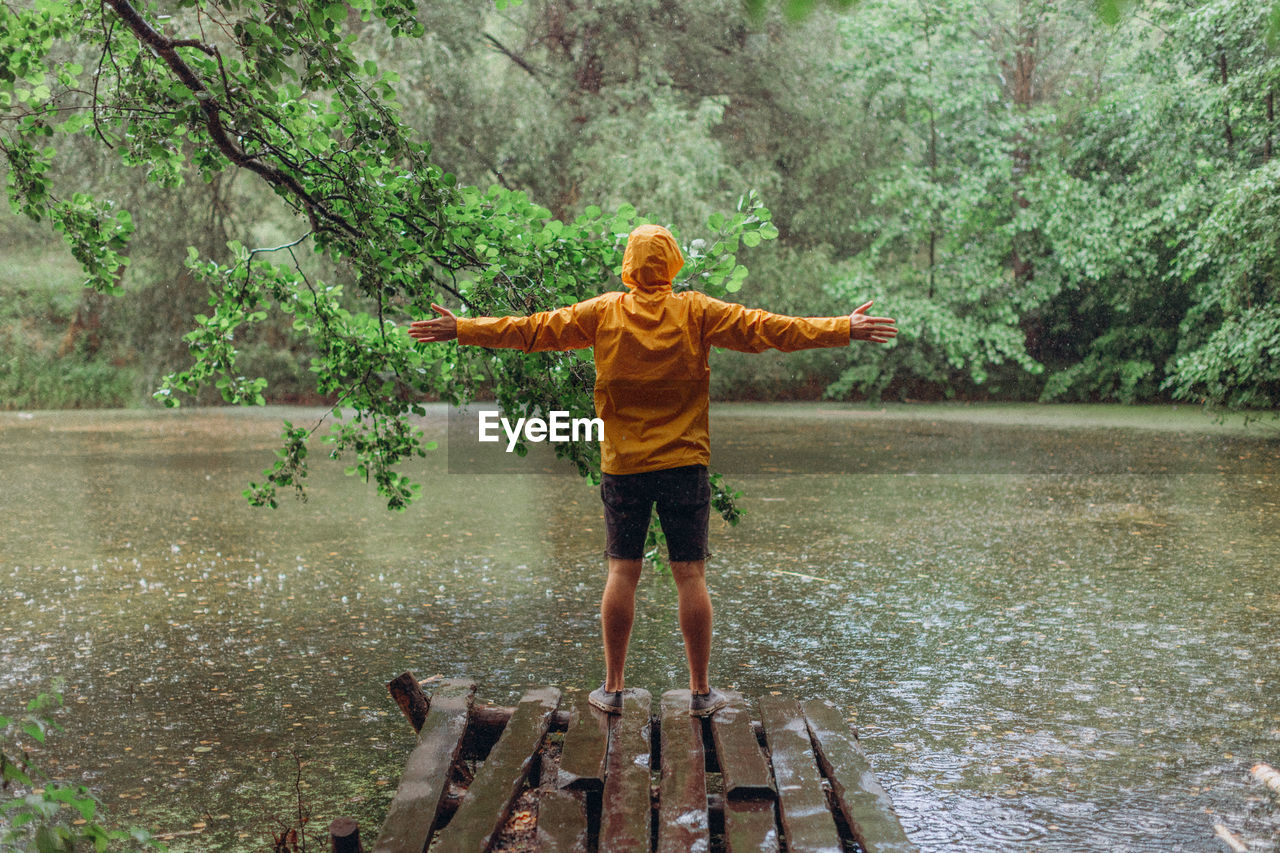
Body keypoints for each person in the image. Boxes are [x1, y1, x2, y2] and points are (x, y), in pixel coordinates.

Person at [409, 224, 897, 716]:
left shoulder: (602, 313)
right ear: (673, 263)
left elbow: (533, 330)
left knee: (623, 571)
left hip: (624, 467)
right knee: (690, 576)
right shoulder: (698, 311)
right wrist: (843, 328)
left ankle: (613, 688)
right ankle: (701, 692)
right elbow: (770, 329)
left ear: (628, 266)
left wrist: (463, 328)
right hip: (685, 464)